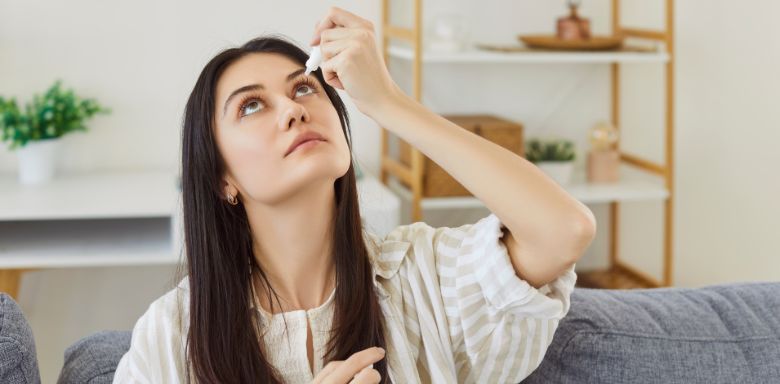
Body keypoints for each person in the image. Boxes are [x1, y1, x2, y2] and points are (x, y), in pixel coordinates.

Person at [113, 6, 596, 384]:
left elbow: (563, 230)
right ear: (223, 181)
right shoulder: (171, 336)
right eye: (252, 105)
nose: (292, 110)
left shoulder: (422, 278)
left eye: (304, 88)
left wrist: (387, 100)